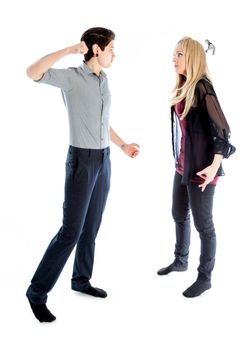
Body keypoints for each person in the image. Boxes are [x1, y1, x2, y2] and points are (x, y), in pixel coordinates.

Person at [26, 27, 140, 322]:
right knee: (70, 232)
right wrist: (68, 50)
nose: (115, 53)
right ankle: (36, 293)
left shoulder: (104, 80)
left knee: (91, 226)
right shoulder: (72, 78)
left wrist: (123, 144)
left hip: (104, 159)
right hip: (82, 161)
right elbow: (32, 72)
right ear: (97, 49)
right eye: (112, 48)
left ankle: (80, 279)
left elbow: (103, 121)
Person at [157, 37, 235, 298]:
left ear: (192, 57)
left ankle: (205, 277)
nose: (174, 59)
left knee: (205, 225)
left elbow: (223, 130)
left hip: (202, 170)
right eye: (173, 54)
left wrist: (214, 167)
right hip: (183, 165)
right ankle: (181, 260)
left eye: (179, 54)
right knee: (178, 213)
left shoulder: (202, 87)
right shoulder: (185, 87)